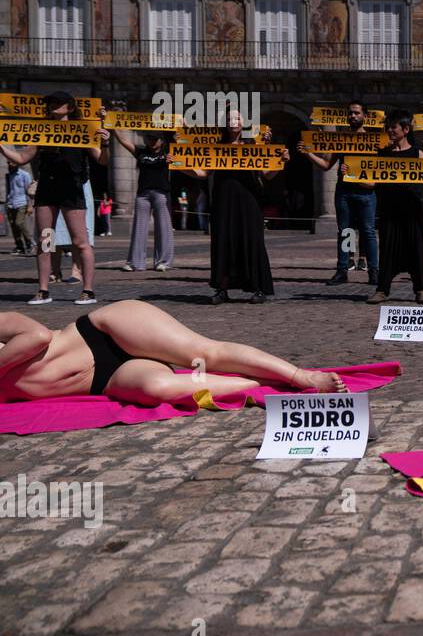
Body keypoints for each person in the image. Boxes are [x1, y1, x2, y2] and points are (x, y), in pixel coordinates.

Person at [0, 301, 346, 405]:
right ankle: (256, 385)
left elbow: (37, 335)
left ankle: (302, 377)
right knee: (158, 391)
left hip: (101, 334)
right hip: (103, 381)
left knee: (203, 352)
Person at [0, 91, 109, 306]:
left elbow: (102, 161)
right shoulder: (41, 130)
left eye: (57, 103)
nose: (52, 106)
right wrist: (1, 147)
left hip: (71, 190)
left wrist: (105, 143)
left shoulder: (83, 129)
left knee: (80, 242)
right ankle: (43, 291)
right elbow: (22, 158)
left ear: (69, 107)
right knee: (45, 242)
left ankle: (88, 290)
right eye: (50, 102)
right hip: (47, 191)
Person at [177, 111, 284, 304]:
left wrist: (281, 162)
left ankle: (259, 288)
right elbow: (202, 173)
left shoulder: (254, 145)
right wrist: (179, 165)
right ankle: (222, 289)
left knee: (253, 241)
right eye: (229, 119)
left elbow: (267, 174)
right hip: (223, 200)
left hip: (249, 200)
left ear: (244, 123)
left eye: (237, 118)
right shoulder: (217, 146)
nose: (233, 121)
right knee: (223, 242)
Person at [295, 100, 379, 286]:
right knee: (345, 232)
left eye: (357, 113)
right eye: (350, 113)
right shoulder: (341, 140)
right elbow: (326, 165)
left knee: (368, 232)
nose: (353, 116)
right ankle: (343, 269)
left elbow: (379, 170)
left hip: (366, 193)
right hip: (344, 193)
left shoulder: (374, 141)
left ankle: (373, 270)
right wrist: (308, 154)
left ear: (365, 116)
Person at [368, 109, 423, 304]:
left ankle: (420, 289)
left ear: (405, 129)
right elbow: (371, 183)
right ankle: (382, 289)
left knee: (416, 249)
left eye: (392, 127)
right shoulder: (382, 154)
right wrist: (351, 175)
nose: (389, 130)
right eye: (387, 127)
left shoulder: (417, 153)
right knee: (387, 250)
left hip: (413, 210)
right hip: (389, 209)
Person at [109, 121, 175, 273]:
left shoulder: (169, 152)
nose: (152, 142)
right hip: (143, 194)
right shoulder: (141, 152)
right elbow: (123, 141)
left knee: (163, 228)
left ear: (161, 140)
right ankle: (135, 262)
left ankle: (163, 261)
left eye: (155, 139)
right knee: (139, 228)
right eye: (149, 139)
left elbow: (185, 143)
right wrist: (112, 126)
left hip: (161, 193)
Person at [5, 159, 34, 256]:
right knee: (14, 226)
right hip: (11, 203)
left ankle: (30, 242)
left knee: (19, 223)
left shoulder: (25, 175)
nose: (9, 164)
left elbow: (29, 191)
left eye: (11, 162)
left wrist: (30, 206)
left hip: (22, 202)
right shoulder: (9, 175)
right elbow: (9, 190)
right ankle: (19, 247)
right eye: (8, 163)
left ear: (17, 163)